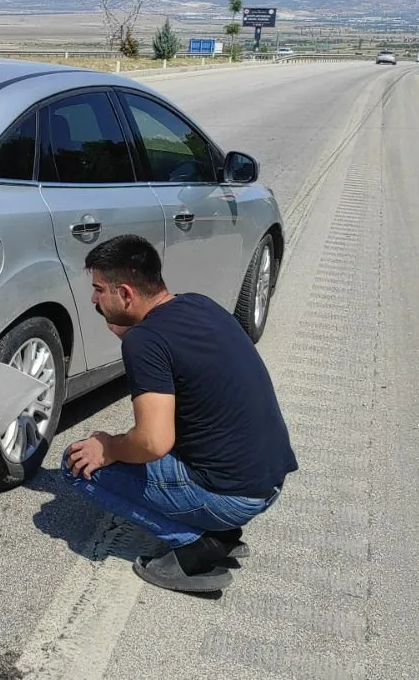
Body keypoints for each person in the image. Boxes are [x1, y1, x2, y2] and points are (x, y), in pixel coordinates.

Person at [62, 234, 298, 593]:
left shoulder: (146, 342)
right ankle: (218, 530)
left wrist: (108, 447)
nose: (94, 299)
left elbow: (154, 442)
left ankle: (195, 545)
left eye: (99, 289)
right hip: (268, 481)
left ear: (126, 294)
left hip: (233, 498)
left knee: (77, 464)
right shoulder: (197, 305)